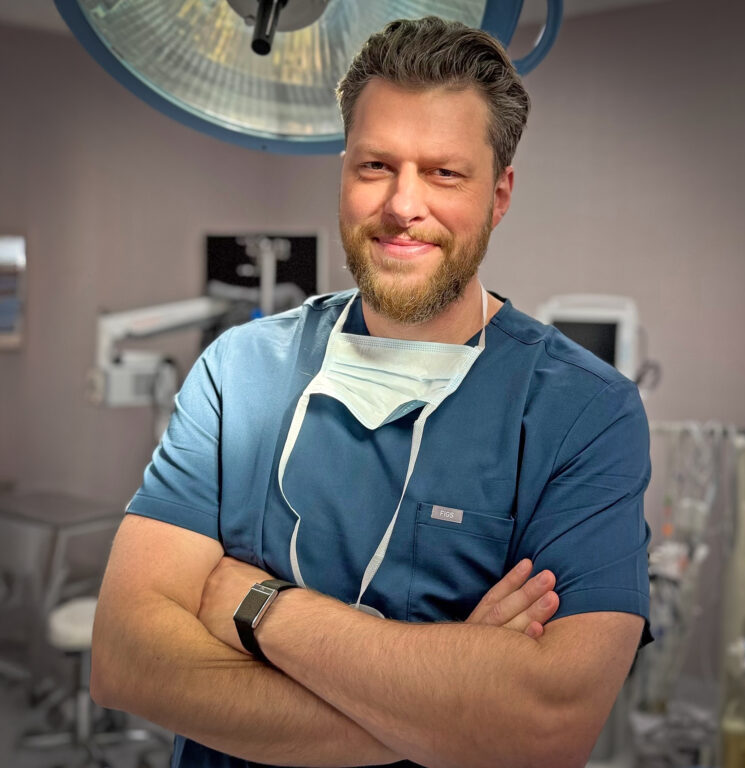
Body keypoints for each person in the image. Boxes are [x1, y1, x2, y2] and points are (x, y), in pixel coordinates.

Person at [90, 16, 652, 768]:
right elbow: (127, 658)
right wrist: (452, 712)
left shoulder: (584, 414)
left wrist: (257, 604)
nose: (403, 206)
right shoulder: (239, 373)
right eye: (375, 166)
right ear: (344, 172)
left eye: (445, 173)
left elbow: (547, 727)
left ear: (500, 193)